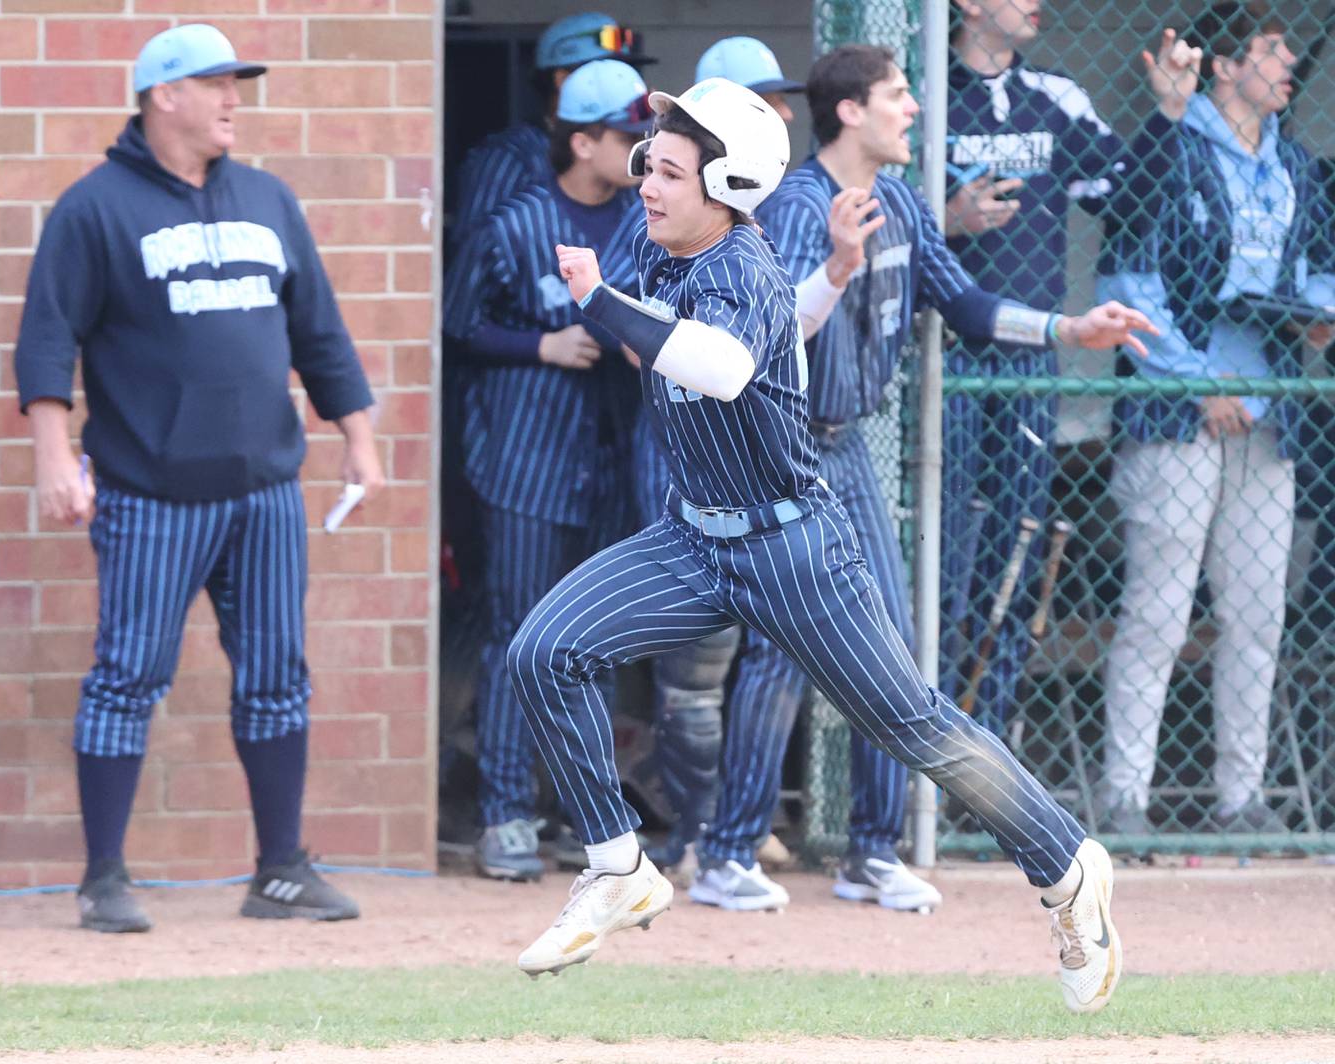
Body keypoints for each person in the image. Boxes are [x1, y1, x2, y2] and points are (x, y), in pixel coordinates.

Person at [509, 72, 1156, 1014]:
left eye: (673, 171)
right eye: (651, 162)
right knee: (544, 651)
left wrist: (599, 300)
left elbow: (727, 367)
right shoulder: (669, 254)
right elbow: (776, 335)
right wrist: (813, 262)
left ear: (725, 191)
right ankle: (617, 866)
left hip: (792, 548)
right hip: (695, 537)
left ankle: (1068, 869)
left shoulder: (741, 266)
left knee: (918, 728)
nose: (647, 180)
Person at [12, 24, 384, 932]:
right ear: (161, 96)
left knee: (276, 678)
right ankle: (104, 880)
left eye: (237, 85)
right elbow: (47, 341)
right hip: (148, 495)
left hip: (265, 491)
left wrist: (359, 439)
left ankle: (281, 871)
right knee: (127, 676)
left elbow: (320, 332)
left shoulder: (266, 199)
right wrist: (55, 455)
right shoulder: (94, 209)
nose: (233, 100)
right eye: (215, 84)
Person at [1097, 0, 1335, 835]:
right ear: (1225, 65)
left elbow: (1313, 272)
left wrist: (1321, 314)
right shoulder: (1171, 149)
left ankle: (1243, 796)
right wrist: (1197, 381)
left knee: (1258, 613)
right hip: (1179, 413)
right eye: (1270, 51)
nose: (1286, 66)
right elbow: (1126, 283)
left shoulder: (1296, 164)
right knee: (1158, 611)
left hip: (1270, 409)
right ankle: (1125, 795)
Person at [940, 0, 1199, 737]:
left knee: (1015, 552)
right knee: (944, 558)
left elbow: (1126, 200)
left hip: (1031, 367)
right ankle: (921, 752)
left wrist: (1168, 116)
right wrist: (948, 217)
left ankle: (989, 737)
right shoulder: (921, 99)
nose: (1037, 4)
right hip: (942, 362)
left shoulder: (1054, 96)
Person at [441, 59, 651, 881]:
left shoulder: (643, 224)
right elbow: (458, 328)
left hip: (613, 452)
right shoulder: (518, 220)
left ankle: (586, 821)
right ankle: (504, 814)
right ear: (583, 138)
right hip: (526, 456)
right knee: (517, 636)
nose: (639, 153)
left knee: (592, 645)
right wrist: (541, 343)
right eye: (627, 137)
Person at [631, 34, 807, 903]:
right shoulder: (659, 236)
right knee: (688, 678)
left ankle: (735, 837)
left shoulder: (753, 253)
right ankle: (703, 842)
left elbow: (737, 359)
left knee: (891, 707)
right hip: (691, 483)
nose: (653, 180)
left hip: (782, 502)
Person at [452, 12, 655, 237]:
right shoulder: (505, 157)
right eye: (602, 69)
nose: (620, 78)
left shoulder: (631, 179)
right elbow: (474, 251)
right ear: (561, 79)